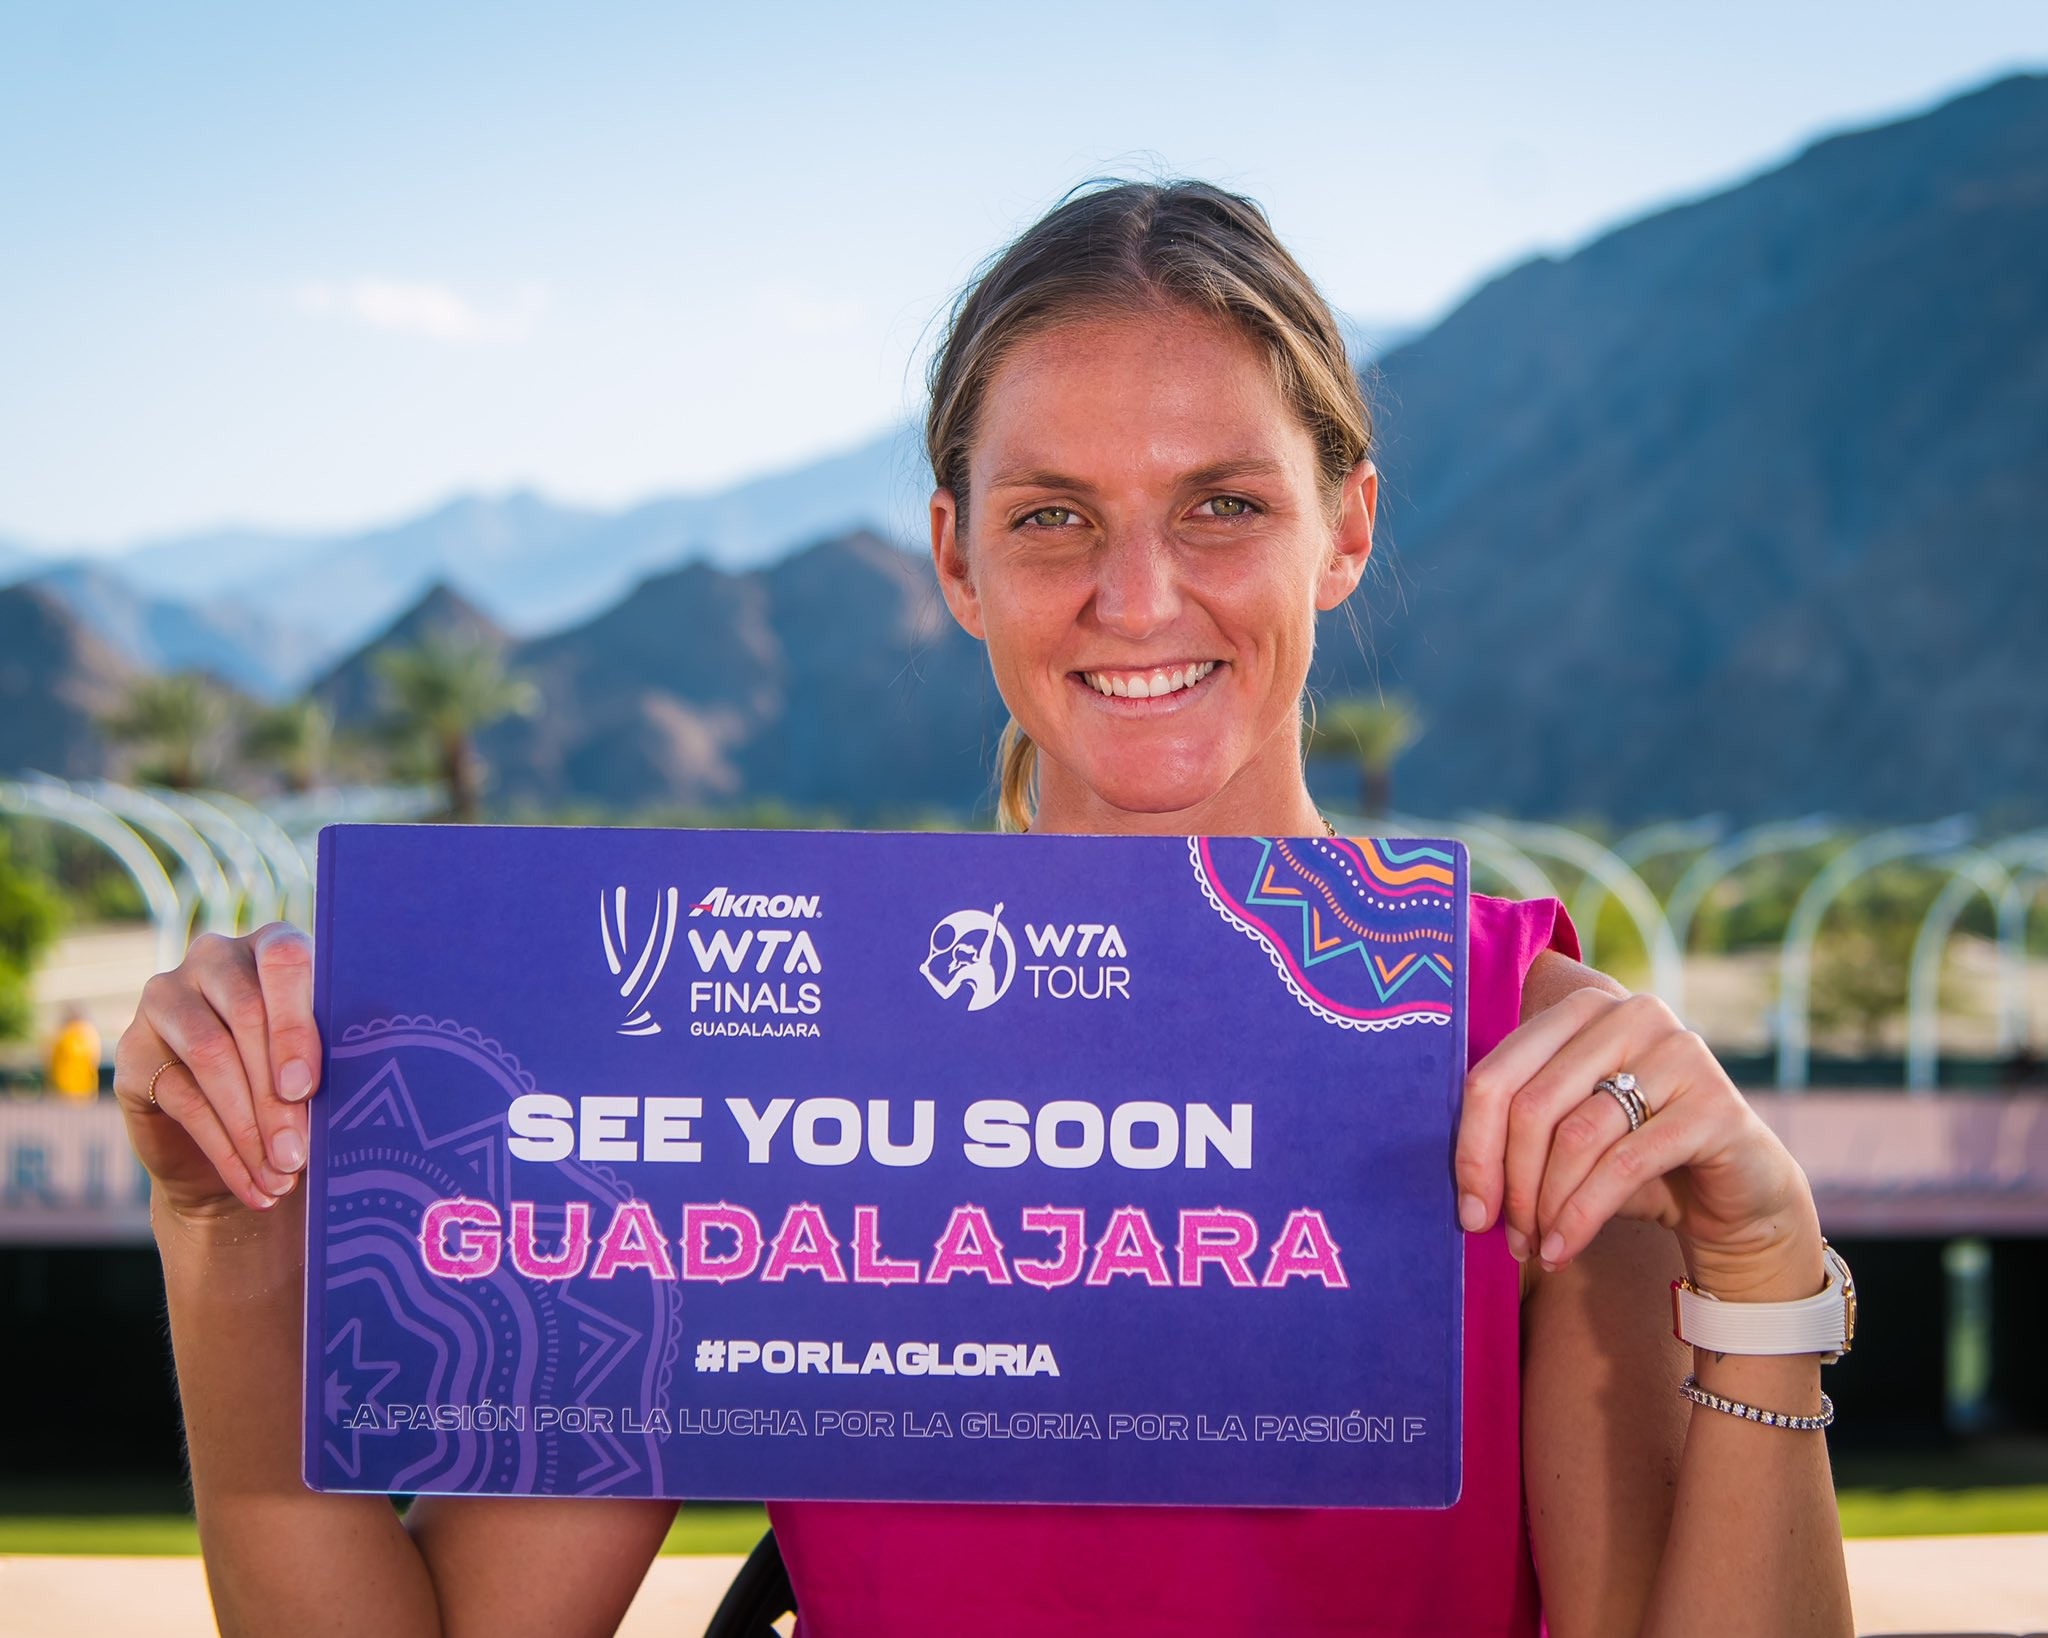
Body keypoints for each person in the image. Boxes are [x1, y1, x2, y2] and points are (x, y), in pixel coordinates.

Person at [115, 181, 1854, 1636]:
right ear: (954, 556)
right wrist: (222, 1220)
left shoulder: (1526, 1065)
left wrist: (1764, 1268)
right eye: (1052, 516)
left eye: (1223, 505)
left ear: (1344, 529)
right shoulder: (750, 1046)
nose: (1137, 596)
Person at [48, 1005, 102, 1099]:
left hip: (79, 1087)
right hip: (71, 1088)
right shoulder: (66, 1035)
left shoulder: (84, 1033)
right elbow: (95, 1059)